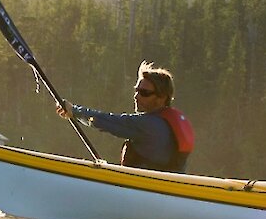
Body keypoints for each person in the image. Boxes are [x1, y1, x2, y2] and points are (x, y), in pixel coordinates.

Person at [60, 62, 194, 171]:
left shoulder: (148, 125)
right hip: (164, 192)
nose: (136, 96)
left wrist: (75, 111)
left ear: (161, 98)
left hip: (144, 191)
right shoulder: (173, 122)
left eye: (144, 93)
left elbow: (106, 121)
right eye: (136, 90)